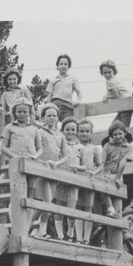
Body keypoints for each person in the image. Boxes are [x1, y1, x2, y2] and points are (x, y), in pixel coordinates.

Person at [30, 103, 65, 238]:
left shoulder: (60, 136)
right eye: (48, 116)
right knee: (47, 202)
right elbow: (37, 150)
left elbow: (65, 155)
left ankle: (29, 226)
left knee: (46, 203)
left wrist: (57, 163)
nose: (52, 118)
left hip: (54, 171)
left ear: (57, 118)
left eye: (54, 116)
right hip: (42, 169)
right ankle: (41, 231)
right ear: (43, 118)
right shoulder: (39, 132)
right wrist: (43, 163)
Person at [54, 117, 85, 242]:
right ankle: (60, 235)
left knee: (71, 208)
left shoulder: (80, 147)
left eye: (73, 129)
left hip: (73, 180)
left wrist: (78, 167)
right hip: (60, 179)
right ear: (63, 130)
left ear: (76, 131)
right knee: (59, 208)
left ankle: (70, 234)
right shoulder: (59, 142)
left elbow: (84, 166)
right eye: (67, 129)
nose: (70, 132)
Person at [96, 120, 132, 217]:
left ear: (124, 133)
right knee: (102, 184)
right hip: (106, 172)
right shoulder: (107, 146)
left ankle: (114, 211)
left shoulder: (128, 147)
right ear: (111, 136)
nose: (118, 137)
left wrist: (117, 178)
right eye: (115, 135)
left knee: (117, 194)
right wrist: (96, 173)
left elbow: (122, 163)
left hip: (117, 174)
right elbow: (102, 163)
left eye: (120, 134)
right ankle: (109, 209)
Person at [76, 119, 103, 244]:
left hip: (89, 179)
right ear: (77, 132)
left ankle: (86, 238)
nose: (84, 134)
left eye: (87, 131)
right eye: (81, 131)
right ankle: (77, 238)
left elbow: (100, 165)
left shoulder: (94, 148)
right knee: (77, 208)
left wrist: (94, 173)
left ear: (91, 133)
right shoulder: (74, 145)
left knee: (87, 208)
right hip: (75, 178)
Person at [45, 53, 82, 122]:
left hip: (67, 105)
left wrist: (78, 101)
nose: (63, 66)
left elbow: (79, 93)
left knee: (67, 123)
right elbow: (49, 96)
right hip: (55, 104)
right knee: (52, 123)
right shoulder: (53, 80)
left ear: (68, 67)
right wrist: (49, 107)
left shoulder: (73, 80)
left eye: (65, 64)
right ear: (57, 66)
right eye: (61, 64)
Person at [100, 59, 132, 126]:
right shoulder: (115, 79)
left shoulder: (110, 82)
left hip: (124, 104)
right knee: (115, 126)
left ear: (114, 71)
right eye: (105, 73)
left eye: (109, 72)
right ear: (102, 73)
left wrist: (107, 97)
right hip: (126, 103)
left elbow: (116, 95)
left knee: (123, 127)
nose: (107, 75)